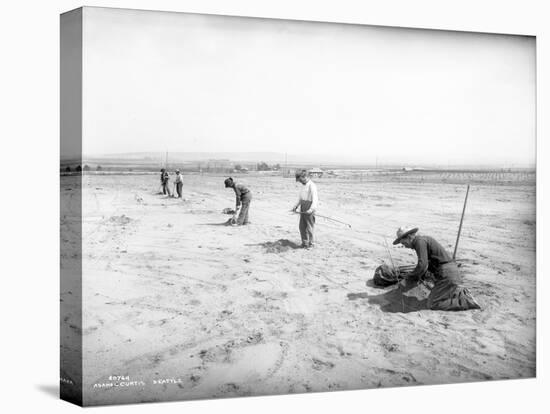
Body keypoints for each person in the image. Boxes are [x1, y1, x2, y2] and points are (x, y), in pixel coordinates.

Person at [393, 226, 480, 311]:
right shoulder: (422, 240)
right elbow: (426, 265)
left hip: (447, 273)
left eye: (404, 243)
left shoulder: (419, 242)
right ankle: (460, 293)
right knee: (438, 293)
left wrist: (409, 277)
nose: (404, 246)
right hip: (449, 272)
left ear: (409, 237)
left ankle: (466, 301)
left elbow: (422, 265)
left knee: (433, 304)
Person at [292, 170, 319, 248]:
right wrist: (295, 206)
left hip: (310, 207)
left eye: (301, 180)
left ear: (305, 177)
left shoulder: (312, 186)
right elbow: (300, 198)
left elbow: (315, 200)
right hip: (303, 207)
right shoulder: (303, 186)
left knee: (309, 227)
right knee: (302, 226)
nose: (300, 182)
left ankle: (311, 243)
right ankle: (305, 243)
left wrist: (311, 209)